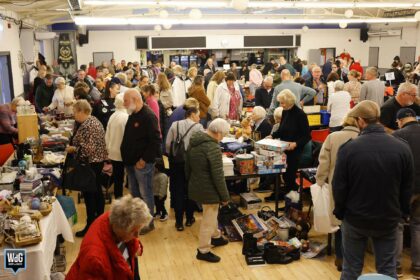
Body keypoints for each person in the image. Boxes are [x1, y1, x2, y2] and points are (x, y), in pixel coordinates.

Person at [332, 100, 414, 280]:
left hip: (355, 218)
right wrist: (403, 212)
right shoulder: (402, 147)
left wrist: (340, 211)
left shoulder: (348, 149)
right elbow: (406, 186)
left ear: (361, 120)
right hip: (388, 217)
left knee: (351, 269)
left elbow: (339, 186)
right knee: (387, 269)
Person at [66, 194, 152, 280]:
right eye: (134, 232)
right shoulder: (95, 260)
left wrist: (135, 245)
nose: (137, 236)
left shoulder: (117, 216)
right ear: (121, 229)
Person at [315, 115, 360, 272]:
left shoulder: (333, 137)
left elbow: (324, 162)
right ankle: (355, 259)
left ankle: (340, 257)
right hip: (359, 185)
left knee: (339, 222)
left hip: (337, 183)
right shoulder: (362, 137)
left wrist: (320, 181)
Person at [186, 118, 230, 263]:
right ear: (218, 133)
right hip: (209, 188)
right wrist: (225, 196)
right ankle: (203, 250)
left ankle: (216, 237)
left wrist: (191, 181)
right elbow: (218, 175)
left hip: (196, 183)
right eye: (223, 135)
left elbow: (187, 167)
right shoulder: (212, 147)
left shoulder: (194, 141)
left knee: (211, 213)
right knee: (208, 218)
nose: (222, 138)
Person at [121, 89, 161, 235]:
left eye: (126, 101)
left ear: (135, 99)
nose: (124, 104)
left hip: (142, 164)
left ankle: (148, 223)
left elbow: (156, 140)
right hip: (131, 163)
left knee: (146, 194)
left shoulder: (148, 115)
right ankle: (139, 222)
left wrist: (144, 159)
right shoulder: (133, 114)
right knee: (135, 194)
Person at [66, 100, 107, 237]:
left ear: (82, 111)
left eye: (75, 112)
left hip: (91, 163)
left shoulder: (89, 125)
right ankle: (99, 222)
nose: (74, 115)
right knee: (96, 192)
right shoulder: (93, 120)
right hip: (96, 161)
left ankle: (91, 225)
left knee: (90, 194)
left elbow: (88, 149)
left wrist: (73, 149)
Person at [266, 89, 311, 202]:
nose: (281, 105)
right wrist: (272, 135)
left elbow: (306, 136)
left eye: (282, 103)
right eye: (280, 102)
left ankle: (293, 202)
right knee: (283, 175)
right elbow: (281, 130)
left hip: (296, 150)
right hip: (284, 148)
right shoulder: (285, 112)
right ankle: (287, 198)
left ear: (290, 101)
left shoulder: (300, 115)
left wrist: (295, 144)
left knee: (289, 176)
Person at [166, 105, 203, 231]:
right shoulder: (198, 127)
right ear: (192, 115)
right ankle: (189, 218)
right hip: (191, 163)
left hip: (176, 163)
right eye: (198, 115)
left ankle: (178, 222)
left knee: (178, 191)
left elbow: (167, 145)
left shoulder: (174, 125)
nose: (199, 118)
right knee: (190, 191)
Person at [393, 108, 420, 278]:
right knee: (418, 225)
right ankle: (418, 267)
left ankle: (396, 267)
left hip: (404, 188)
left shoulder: (397, 136)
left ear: (401, 120)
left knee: (397, 226)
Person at [105, 95, 128, 200]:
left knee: (117, 175)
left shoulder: (113, 115)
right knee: (120, 177)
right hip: (122, 152)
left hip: (113, 151)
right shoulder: (126, 117)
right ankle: (119, 198)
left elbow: (107, 135)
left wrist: (108, 150)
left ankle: (118, 196)